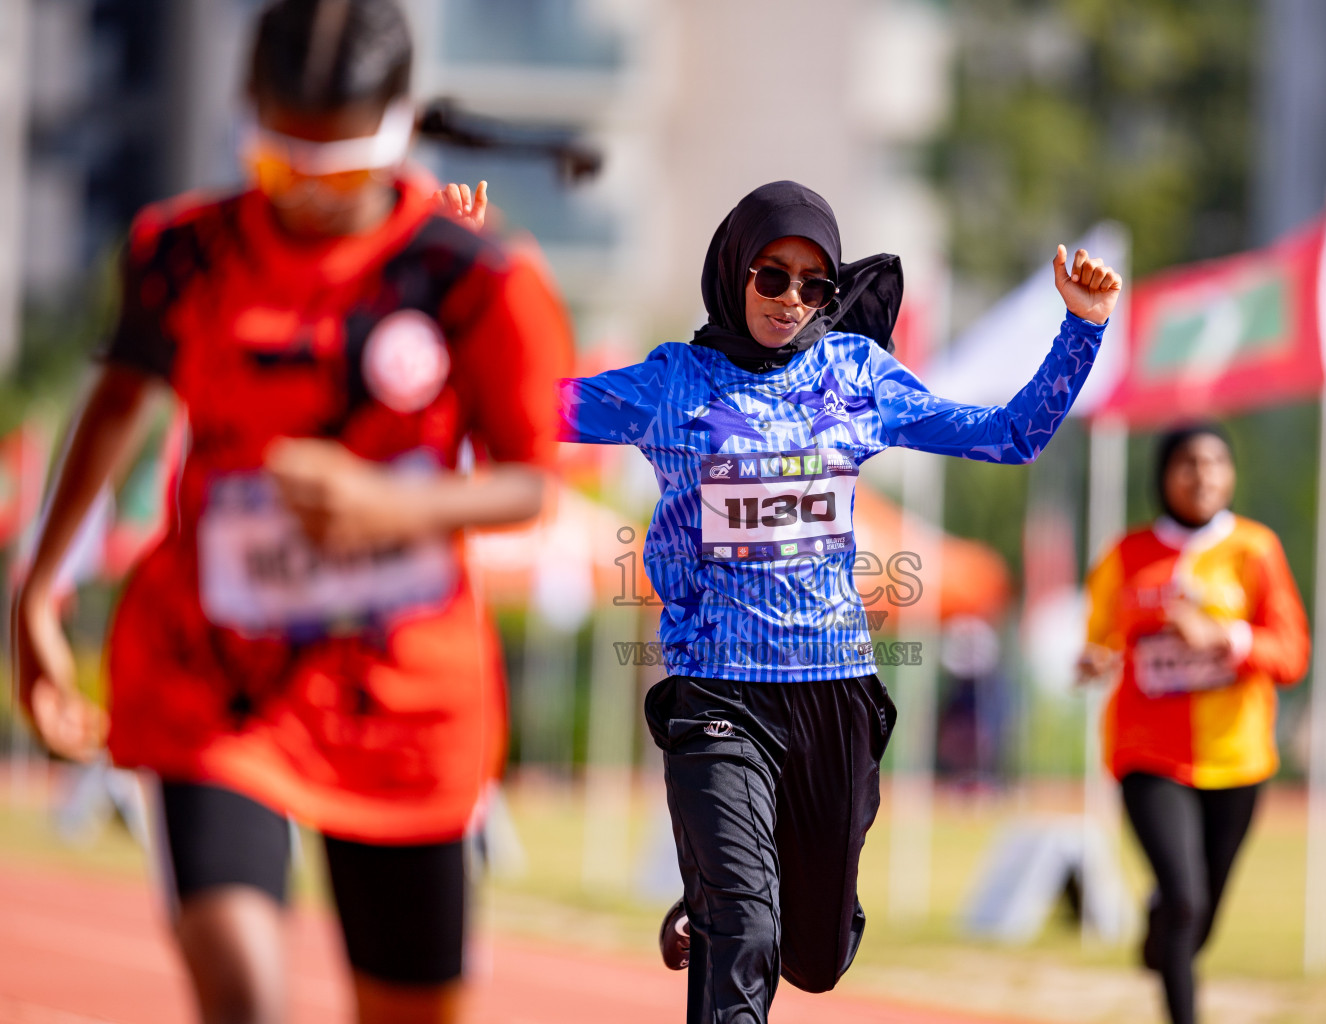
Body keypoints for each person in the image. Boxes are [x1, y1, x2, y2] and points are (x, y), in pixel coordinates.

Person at [11, 1, 571, 1021]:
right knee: (245, 1001)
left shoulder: (477, 278)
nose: (310, 196)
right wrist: (37, 588)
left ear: (402, 129)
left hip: (398, 698)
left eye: (343, 169)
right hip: (214, 679)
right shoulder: (182, 255)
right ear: (248, 118)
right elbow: (119, 400)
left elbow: (532, 481)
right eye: (283, 164)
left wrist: (386, 507)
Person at [539, 178, 1117, 1022]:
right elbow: (523, 407)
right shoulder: (671, 383)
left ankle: (717, 898)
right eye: (773, 277)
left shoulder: (854, 375)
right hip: (715, 691)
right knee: (746, 929)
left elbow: (1012, 434)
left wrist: (1083, 329)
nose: (792, 300)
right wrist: (444, 289)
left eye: (815, 286)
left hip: (832, 692)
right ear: (734, 271)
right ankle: (723, 902)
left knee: (814, 954)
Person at [1079, 423, 1310, 1024]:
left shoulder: (1256, 550)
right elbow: (1100, 637)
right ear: (1164, 473)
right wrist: (1095, 657)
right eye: (1187, 462)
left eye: (1215, 462)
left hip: (1237, 758)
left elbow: (1292, 654)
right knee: (1184, 899)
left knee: (1198, 918)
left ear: (1231, 474)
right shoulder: (1127, 555)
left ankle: (1161, 938)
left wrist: (1226, 638)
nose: (1202, 474)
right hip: (1147, 754)